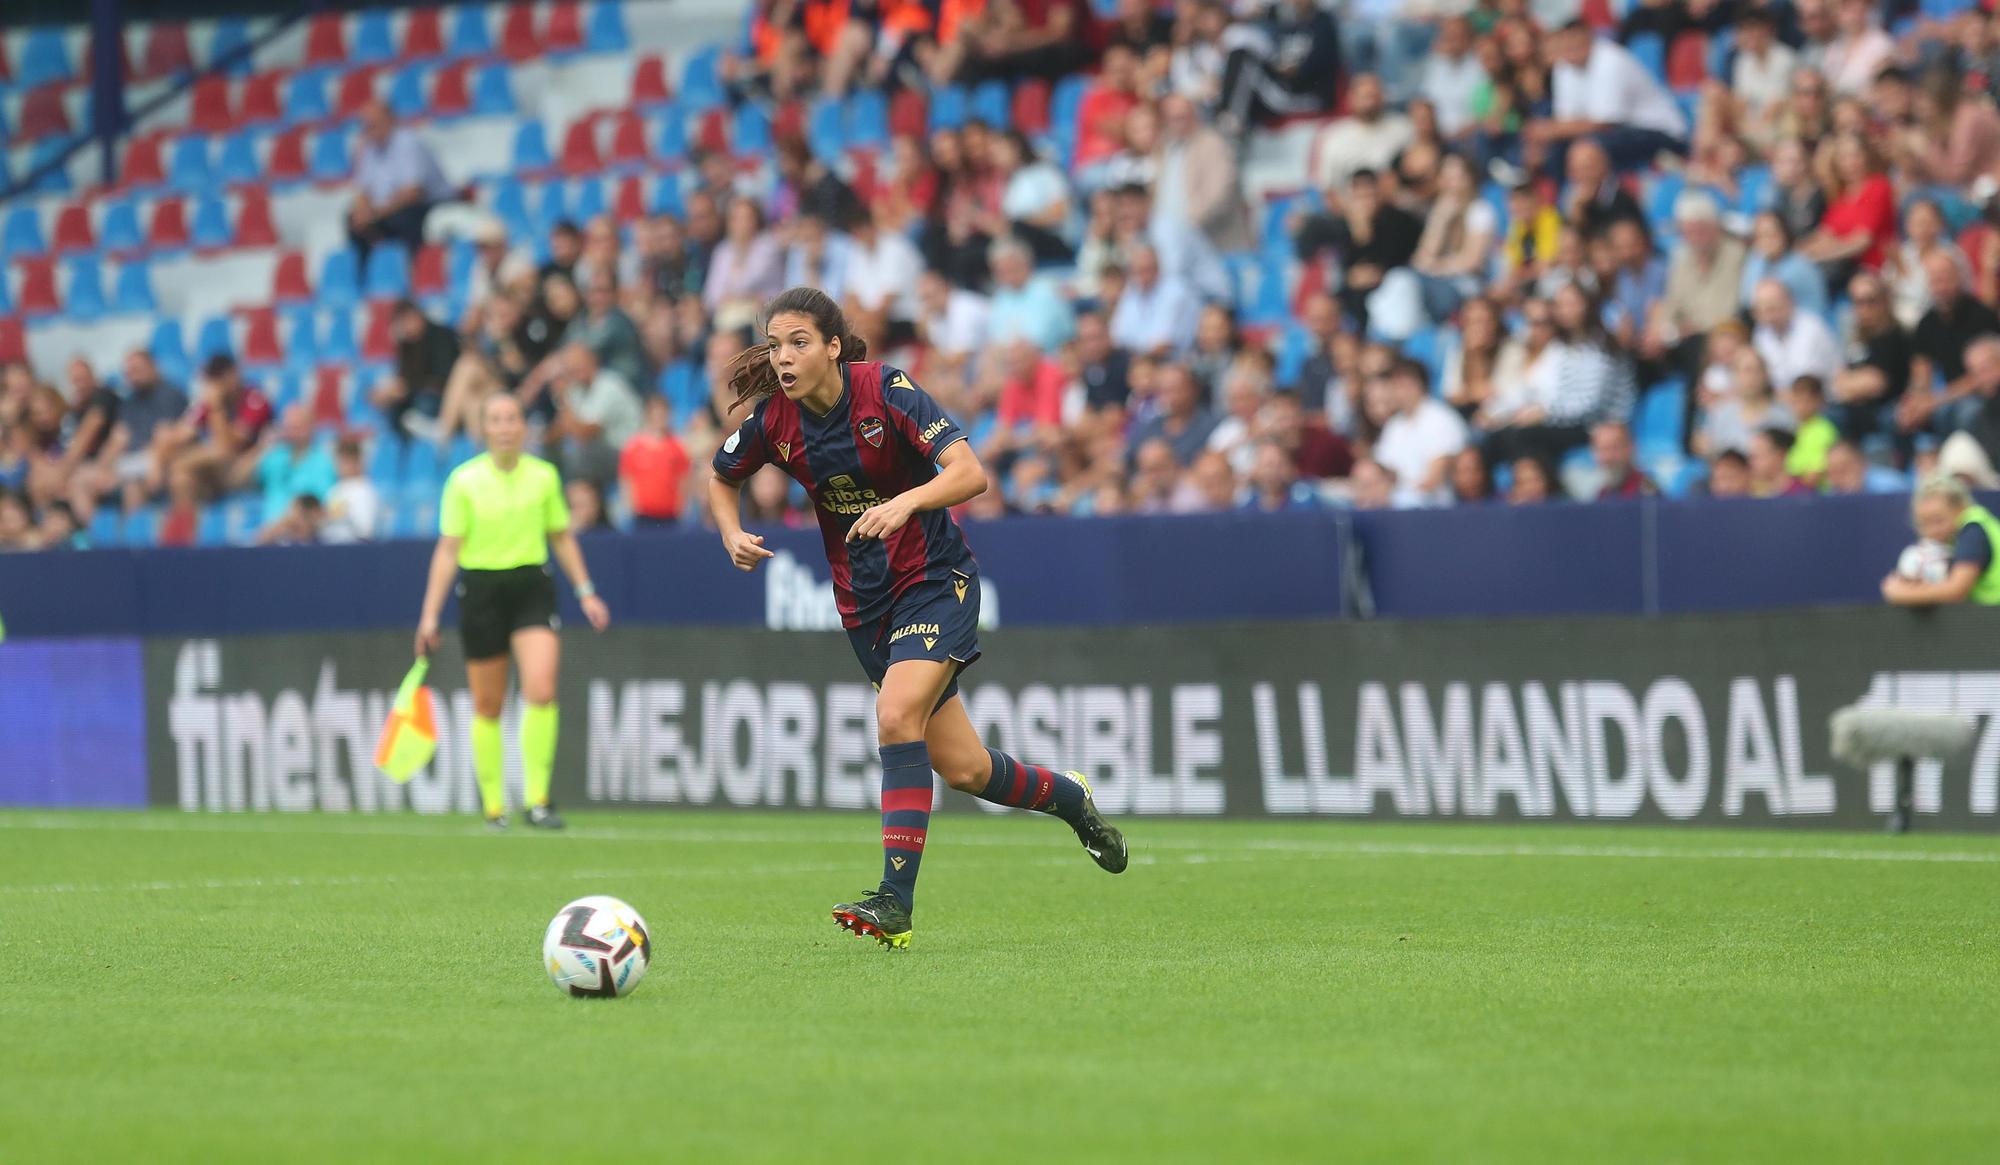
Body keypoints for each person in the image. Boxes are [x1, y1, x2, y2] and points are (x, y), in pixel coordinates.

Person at [707, 287, 1128, 949]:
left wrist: (906, 503)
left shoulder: (887, 390)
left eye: (799, 342)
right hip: (865, 607)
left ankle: (894, 903)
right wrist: (729, 531)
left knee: (896, 716)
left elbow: (970, 473)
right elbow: (722, 473)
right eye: (775, 344)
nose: (783, 357)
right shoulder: (774, 423)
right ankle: (1070, 798)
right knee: (965, 769)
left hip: (936, 582)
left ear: (833, 346)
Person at [415, 393, 611, 831]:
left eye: (512, 419)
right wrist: (429, 615)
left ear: (523, 427)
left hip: (530, 587)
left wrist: (586, 591)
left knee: (541, 689)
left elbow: (561, 536)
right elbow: (448, 551)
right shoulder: (463, 481)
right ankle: (493, 807)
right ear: (485, 429)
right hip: (481, 589)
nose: (505, 427)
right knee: (488, 703)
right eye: (496, 419)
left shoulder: (543, 477)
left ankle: (537, 800)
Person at [347, 100, 454, 261]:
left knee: (405, 218)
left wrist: (375, 213)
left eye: (372, 124)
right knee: (351, 220)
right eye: (365, 125)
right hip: (391, 208)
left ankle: (415, 270)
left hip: (434, 204)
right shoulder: (369, 147)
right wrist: (361, 212)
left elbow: (413, 193)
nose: (368, 130)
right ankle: (371, 274)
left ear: (389, 120)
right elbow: (364, 190)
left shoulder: (408, 142)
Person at [1882, 473, 2000, 606]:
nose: (1933, 531)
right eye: (1924, 524)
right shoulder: (1967, 531)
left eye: (1938, 520)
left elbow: (1955, 590)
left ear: (1961, 507)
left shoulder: (1973, 531)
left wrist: (1899, 593)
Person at [619, 395, 692, 528]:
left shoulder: (677, 447)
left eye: (663, 414)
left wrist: (682, 508)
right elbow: (627, 480)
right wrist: (630, 507)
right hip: (642, 517)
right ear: (648, 415)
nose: (659, 418)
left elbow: (683, 480)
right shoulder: (633, 447)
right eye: (655, 414)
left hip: (670, 516)